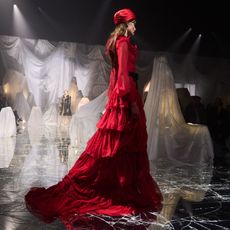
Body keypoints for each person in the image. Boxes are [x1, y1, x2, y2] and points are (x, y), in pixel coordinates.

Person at [25, 8, 163, 228]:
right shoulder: (124, 43)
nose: (136, 27)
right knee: (122, 145)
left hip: (122, 95)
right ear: (125, 24)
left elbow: (117, 75)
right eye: (133, 23)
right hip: (126, 96)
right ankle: (117, 188)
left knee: (119, 146)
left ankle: (118, 185)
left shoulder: (117, 43)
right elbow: (123, 76)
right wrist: (131, 104)